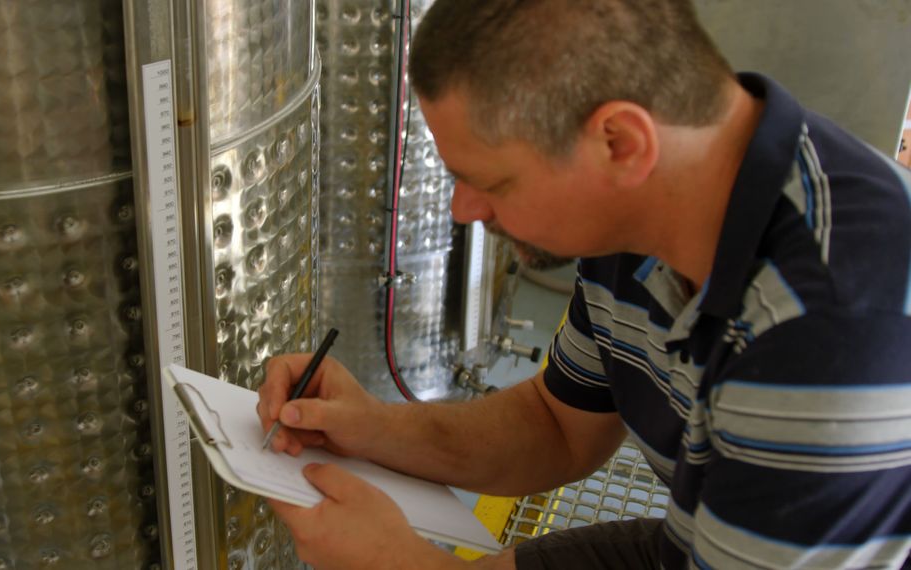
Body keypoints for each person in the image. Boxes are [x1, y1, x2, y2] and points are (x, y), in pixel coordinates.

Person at [256, 0, 911, 568]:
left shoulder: (830, 337)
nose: (463, 211)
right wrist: (373, 428)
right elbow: (556, 425)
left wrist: (400, 565)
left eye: (492, 181)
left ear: (619, 141)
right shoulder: (645, 212)